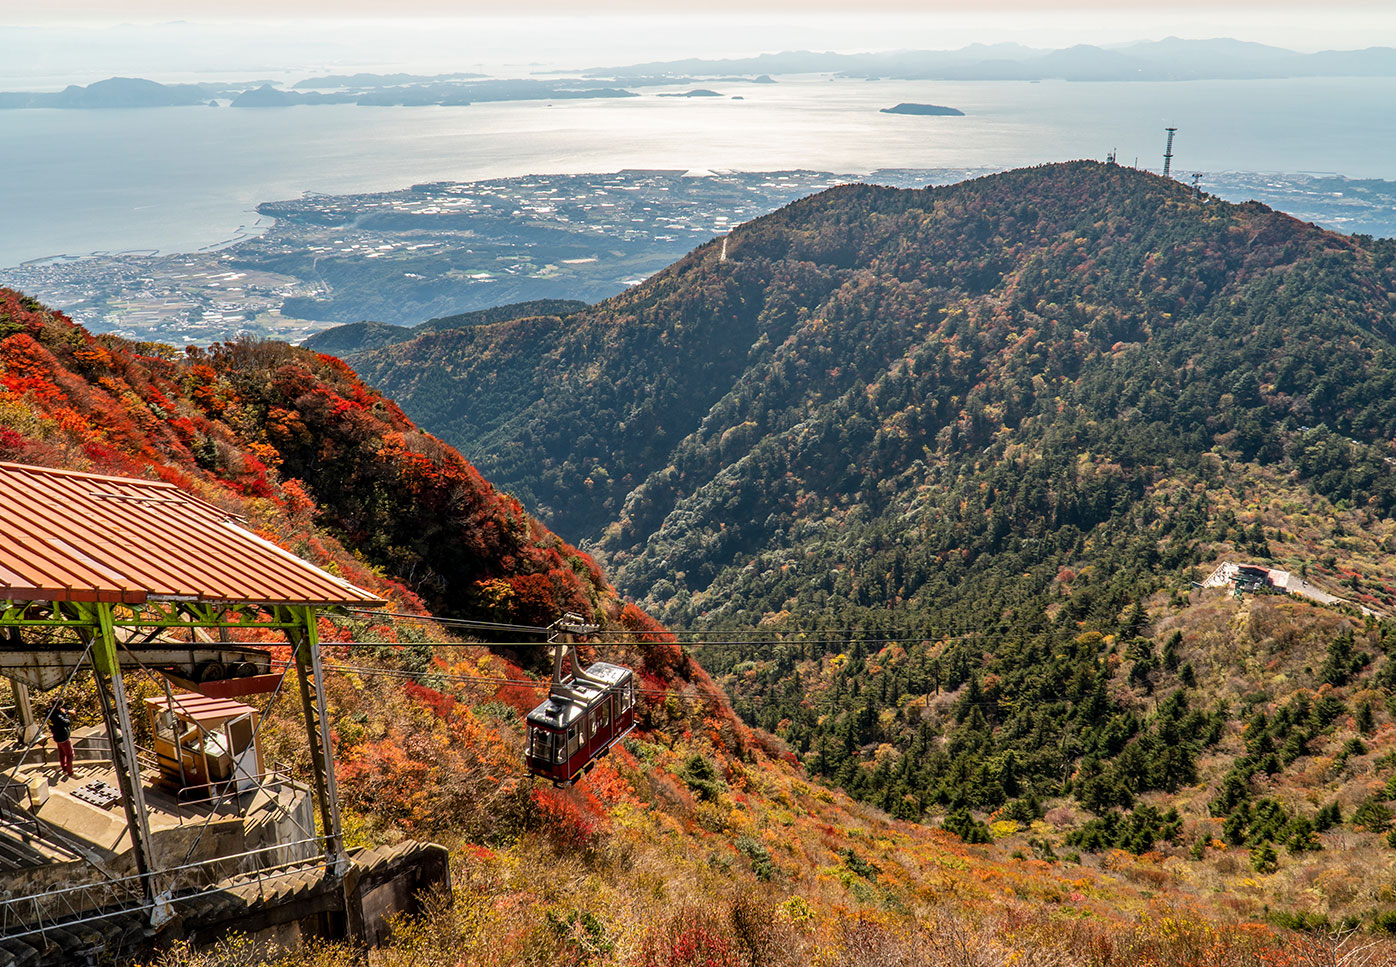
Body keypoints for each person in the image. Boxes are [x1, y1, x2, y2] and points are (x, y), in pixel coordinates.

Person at [47, 701, 75, 779]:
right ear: (58, 706)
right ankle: (70, 772)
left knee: (62, 754)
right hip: (63, 737)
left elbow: (61, 712)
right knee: (70, 755)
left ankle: (65, 769)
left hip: (56, 736)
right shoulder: (58, 716)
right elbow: (66, 722)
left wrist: (66, 712)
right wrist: (65, 714)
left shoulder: (49, 712)